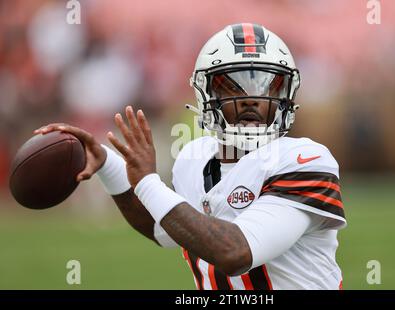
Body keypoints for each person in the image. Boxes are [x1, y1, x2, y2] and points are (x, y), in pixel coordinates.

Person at [35, 23, 346, 290]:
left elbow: (236, 252)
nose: (251, 98)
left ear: (285, 95)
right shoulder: (193, 157)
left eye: (267, 84)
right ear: (206, 95)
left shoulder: (306, 159)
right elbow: (166, 228)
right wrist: (107, 163)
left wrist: (147, 182)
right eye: (232, 86)